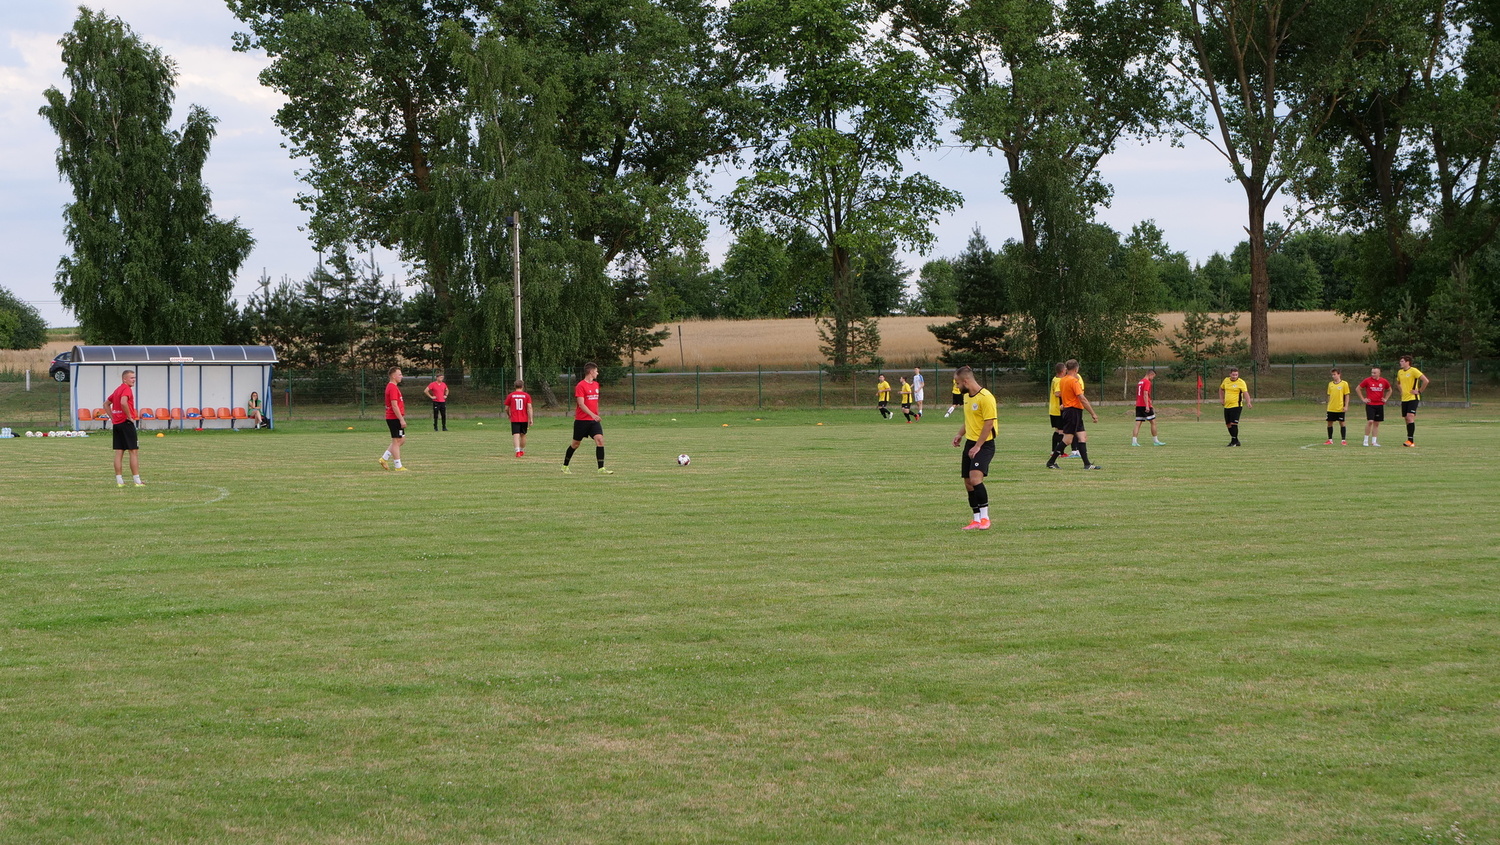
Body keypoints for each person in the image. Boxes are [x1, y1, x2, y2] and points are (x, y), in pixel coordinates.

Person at [951, 365, 997, 530]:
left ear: (965, 381)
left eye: (957, 383)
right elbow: (969, 420)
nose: (957, 387)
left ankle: (985, 518)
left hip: (984, 444)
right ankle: (976, 519)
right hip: (970, 443)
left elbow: (989, 423)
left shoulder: (986, 397)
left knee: (976, 479)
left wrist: (978, 446)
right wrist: (959, 434)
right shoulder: (967, 397)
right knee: (968, 482)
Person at [1047, 359, 1101, 469]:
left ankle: (1087, 464)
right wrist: (1093, 413)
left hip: (1072, 411)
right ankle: (1051, 462)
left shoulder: (1063, 380)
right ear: (1076, 369)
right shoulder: (1074, 381)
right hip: (1073, 412)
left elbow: (1065, 395)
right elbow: (1082, 398)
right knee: (1068, 439)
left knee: (1082, 437)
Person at [564, 362, 612, 474]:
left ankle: (601, 468)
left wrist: (595, 414)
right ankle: (565, 466)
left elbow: (595, 402)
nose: (597, 373)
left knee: (600, 440)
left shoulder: (596, 385)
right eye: (596, 371)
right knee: (575, 444)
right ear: (591, 372)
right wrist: (592, 414)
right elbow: (581, 404)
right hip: (581, 421)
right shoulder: (580, 386)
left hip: (593, 421)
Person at [108, 370, 144, 487]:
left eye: (134, 377)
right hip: (126, 423)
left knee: (119, 451)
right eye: (131, 378)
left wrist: (113, 417)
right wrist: (129, 416)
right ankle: (137, 481)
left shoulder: (117, 390)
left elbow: (106, 404)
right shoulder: (126, 389)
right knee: (133, 451)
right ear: (124, 379)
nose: (134, 380)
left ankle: (119, 481)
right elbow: (123, 402)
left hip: (117, 424)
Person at [1048, 362, 1082, 458]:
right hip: (1058, 409)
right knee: (1061, 431)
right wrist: (1069, 393)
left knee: (1057, 430)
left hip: (1053, 409)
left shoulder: (1055, 379)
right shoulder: (1059, 380)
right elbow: (1057, 393)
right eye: (1065, 370)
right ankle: (1060, 452)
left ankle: (1053, 451)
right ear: (1063, 371)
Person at [1396, 355, 1430, 447]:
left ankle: (1411, 441)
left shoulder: (1414, 370)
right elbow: (1398, 383)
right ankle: (1409, 439)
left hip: (1413, 398)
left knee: (1410, 417)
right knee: (1406, 419)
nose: (1400, 363)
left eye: (1402, 361)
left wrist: (1419, 391)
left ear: (1408, 362)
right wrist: (1401, 391)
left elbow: (1426, 381)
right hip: (1404, 399)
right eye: (1400, 361)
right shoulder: (1400, 372)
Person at [379, 367, 409, 471]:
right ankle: (398, 466)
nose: (401, 376)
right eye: (399, 374)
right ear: (393, 376)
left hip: (395, 417)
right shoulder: (392, 387)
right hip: (394, 417)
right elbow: (394, 405)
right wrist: (401, 419)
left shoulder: (394, 387)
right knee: (396, 441)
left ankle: (384, 458)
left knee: (401, 440)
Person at [1357, 366, 1392, 446]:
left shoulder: (1383, 381)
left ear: (1379, 373)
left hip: (1379, 404)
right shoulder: (1367, 380)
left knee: (1376, 423)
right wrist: (1363, 399)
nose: (1373, 374)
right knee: (1370, 421)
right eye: (1372, 372)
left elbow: (1389, 390)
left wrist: (1385, 399)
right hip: (1370, 404)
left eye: (1374, 373)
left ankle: (1374, 441)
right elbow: (1358, 388)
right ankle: (1365, 440)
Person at [1218, 367, 1252, 447]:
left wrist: (1248, 402)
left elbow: (1245, 393)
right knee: (1228, 424)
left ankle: (1234, 441)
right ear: (1230, 374)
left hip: (1236, 406)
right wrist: (1221, 399)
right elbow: (1221, 389)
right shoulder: (1226, 380)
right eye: (1233, 375)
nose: (1234, 376)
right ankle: (1236, 441)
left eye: (1236, 375)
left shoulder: (1241, 382)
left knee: (1233, 423)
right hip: (1227, 406)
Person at [1131, 370, 1165, 447]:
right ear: (1150, 374)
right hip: (1145, 405)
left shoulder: (1140, 382)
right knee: (1153, 422)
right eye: (1153, 377)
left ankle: (1134, 442)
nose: (1152, 378)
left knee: (1138, 423)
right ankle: (1156, 441)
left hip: (1138, 405)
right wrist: (1147, 405)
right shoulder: (1147, 382)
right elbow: (1145, 394)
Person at [505, 379, 533, 457]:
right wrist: (531, 419)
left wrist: (509, 415)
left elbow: (506, 408)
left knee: (516, 435)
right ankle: (521, 450)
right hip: (524, 418)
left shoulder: (511, 395)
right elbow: (529, 407)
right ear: (522, 386)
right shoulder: (526, 396)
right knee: (523, 435)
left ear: (514, 386)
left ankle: (517, 451)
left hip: (514, 418)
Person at [1325, 368, 1350, 445]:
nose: (1333, 376)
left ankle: (1343, 440)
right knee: (1329, 423)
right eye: (1332, 375)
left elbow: (1347, 395)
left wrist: (1346, 406)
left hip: (1340, 408)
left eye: (1334, 374)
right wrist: (1328, 404)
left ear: (1339, 374)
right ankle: (1330, 440)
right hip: (1331, 408)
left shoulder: (1344, 384)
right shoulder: (1330, 384)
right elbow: (1329, 395)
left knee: (1342, 423)